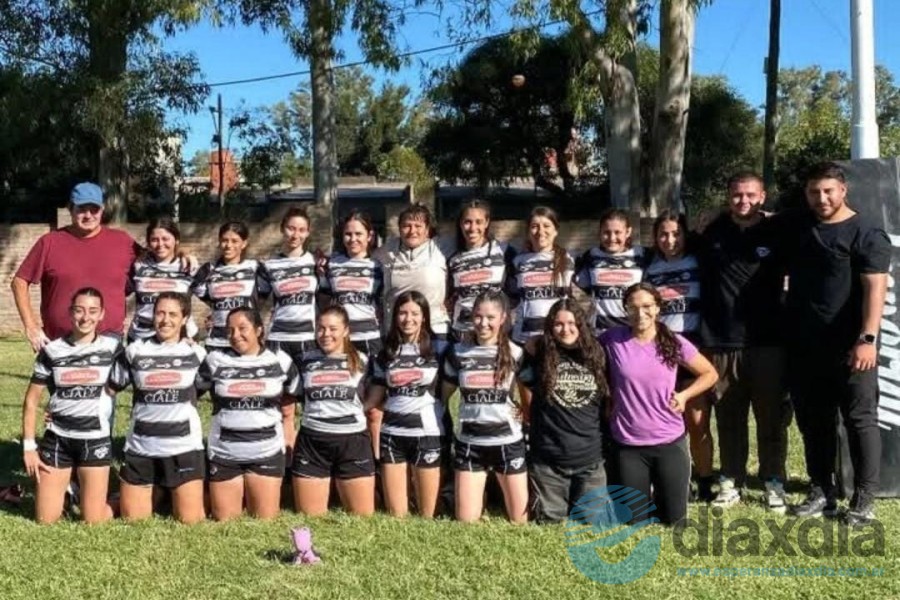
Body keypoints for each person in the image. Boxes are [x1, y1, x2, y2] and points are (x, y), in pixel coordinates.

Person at [775, 162, 890, 524]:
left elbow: (876, 289)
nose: (821, 198)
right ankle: (822, 490)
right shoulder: (799, 224)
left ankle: (863, 500)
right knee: (814, 422)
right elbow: (760, 214)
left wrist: (867, 338)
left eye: (828, 191)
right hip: (806, 347)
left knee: (859, 421)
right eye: (814, 191)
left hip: (852, 347)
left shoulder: (867, 233)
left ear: (843, 190)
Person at [698, 171, 792, 512]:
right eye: (737, 195)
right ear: (728, 197)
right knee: (728, 418)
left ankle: (773, 481)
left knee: (771, 417)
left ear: (763, 197)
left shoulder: (778, 230)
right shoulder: (713, 232)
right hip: (723, 343)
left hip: (768, 342)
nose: (744, 201)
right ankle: (731, 481)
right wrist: (709, 216)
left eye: (751, 195)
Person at [600, 283, 718, 525]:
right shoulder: (612, 340)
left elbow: (710, 374)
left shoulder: (674, 342)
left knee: (675, 521)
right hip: (628, 444)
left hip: (668, 442)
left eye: (646, 306)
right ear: (625, 310)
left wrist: (685, 396)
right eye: (632, 307)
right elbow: (580, 351)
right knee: (634, 522)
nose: (640, 313)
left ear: (657, 309)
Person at [21, 287, 122, 524]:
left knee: (93, 520)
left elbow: (147, 361)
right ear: (70, 312)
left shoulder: (113, 349)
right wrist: (28, 447)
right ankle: (69, 492)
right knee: (46, 520)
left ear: (102, 315)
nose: (85, 317)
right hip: (58, 438)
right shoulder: (52, 350)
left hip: (95, 439)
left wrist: (186, 336)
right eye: (79, 310)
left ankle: (122, 496)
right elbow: (31, 400)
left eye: (92, 311)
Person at [110, 292, 206, 524]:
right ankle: (160, 489)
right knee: (133, 519)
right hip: (142, 448)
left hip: (183, 448)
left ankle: (169, 488)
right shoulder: (135, 351)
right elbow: (109, 390)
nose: (165, 320)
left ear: (184, 319)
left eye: (173, 314)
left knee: (190, 520)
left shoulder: (197, 354)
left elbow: (216, 392)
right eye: (160, 313)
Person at [196, 307, 299, 520]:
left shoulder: (280, 360)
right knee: (225, 521)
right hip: (225, 453)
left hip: (266, 451)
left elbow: (292, 395)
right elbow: (190, 394)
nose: (235, 335)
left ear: (259, 330)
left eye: (243, 328)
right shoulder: (214, 360)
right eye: (230, 330)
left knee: (265, 520)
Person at [12, 183, 139, 350]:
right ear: (70, 209)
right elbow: (19, 282)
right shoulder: (50, 242)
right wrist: (31, 326)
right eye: (81, 209)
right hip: (59, 342)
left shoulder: (123, 242)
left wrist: (180, 253)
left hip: (108, 342)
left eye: (94, 209)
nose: (88, 215)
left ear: (102, 210)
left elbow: (160, 258)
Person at [644, 210, 715, 503]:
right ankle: (675, 478)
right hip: (659, 353)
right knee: (663, 419)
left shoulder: (699, 262)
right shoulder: (648, 267)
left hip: (693, 350)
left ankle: (706, 480)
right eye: (663, 234)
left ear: (685, 235)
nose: (669, 240)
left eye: (676, 233)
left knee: (696, 421)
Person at [442, 291, 529, 523]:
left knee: (520, 521)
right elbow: (444, 397)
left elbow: (529, 395)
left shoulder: (516, 352)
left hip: (507, 443)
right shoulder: (457, 352)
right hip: (470, 444)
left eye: (490, 317)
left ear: (503, 318)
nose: (483, 323)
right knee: (466, 521)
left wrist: (525, 414)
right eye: (478, 316)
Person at [525, 298, 609, 524]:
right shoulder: (540, 354)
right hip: (549, 461)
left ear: (581, 324)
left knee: (595, 524)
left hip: (590, 460)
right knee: (550, 522)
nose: (565, 330)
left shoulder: (598, 355)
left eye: (572, 323)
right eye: (558, 324)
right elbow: (518, 382)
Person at [366, 292, 449, 518]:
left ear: (424, 317)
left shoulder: (440, 348)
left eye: (414, 313)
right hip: (392, 434)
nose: (408, 319)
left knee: (428, 515)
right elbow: (375, 397)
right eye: (402, 313)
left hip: (428, 433)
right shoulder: (386, 351)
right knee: (396, 516)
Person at [291, 306, 376, 517]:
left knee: (362, 518)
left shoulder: (364, 361)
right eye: (320, 328)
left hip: (353, 442)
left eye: (332, 328)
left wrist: (358, 410)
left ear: (346, 330)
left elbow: (378, 395)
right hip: (313, 442)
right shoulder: (303, 361)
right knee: (310, 518)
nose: (325, 334)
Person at [318, 211, 385, 452]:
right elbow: (324, 301)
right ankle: (349, 452)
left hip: (371, 340)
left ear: (370, 236)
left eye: (358, 234)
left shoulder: (379, 266)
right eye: (348, 234)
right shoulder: (331, 264)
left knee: (374, 407)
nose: (353, 239)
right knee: (346, 399)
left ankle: (376, 461)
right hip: (342, 343)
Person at [377, 204, 450, 339]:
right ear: (399, 229)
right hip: (398, 328)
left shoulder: (442, 248)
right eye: (406, 226)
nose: (412, 231)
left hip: (435, 328)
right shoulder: (385, 252)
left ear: (427, 229)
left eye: (418, 226)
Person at [447, 200, 516, 340]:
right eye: (467, 222)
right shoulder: (453, 260)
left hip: (496, 335)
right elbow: (448, 298)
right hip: (463, 335)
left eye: (478, 222)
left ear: (486, 222)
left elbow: (516, 296)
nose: (472, 228)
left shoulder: (504, 252)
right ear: (460, 223)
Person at [193, 221, 265, 349]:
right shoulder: (208, 270)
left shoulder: (255, 268)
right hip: (217, 341)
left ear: (244, 243)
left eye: (234, 241)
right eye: (224, 240)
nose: (228, 245)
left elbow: (262, 298)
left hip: (245, 341)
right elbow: (208, 299)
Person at [509, 206, 575, 345]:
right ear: (528, 232)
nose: (540, 231)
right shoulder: (517, 262)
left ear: (556, 230)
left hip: (558, 338)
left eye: (546, 226)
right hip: (525, 339)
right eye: (534, 226)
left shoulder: (567, 260)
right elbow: (511, 299)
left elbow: (570, 299)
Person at [575, 208, 646, 337]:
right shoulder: (590, 256)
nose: (612, 238)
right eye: (606, 232)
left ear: (628, 232)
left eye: (617, 232)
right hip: (600, 333)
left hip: (632, 332)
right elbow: (582, 283)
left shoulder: (642, 255)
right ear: (599, 232)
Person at [260, 207, 319, 362]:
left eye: (301, 230)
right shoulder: (269, 265)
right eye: (291, 229)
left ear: (308, 232)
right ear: (282, 229)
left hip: (307, 337)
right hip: (278, 337)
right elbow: (256, 303)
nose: (295, 235)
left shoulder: (315, 262)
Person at [127, 217, 199, 343]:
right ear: (148, 242)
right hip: (141, 337)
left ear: (176, 240)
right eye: (154, 240)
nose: (160, 244)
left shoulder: (188, 266)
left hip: (180, 339)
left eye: (166, 239)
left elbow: (214, 296)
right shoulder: (138, 265)